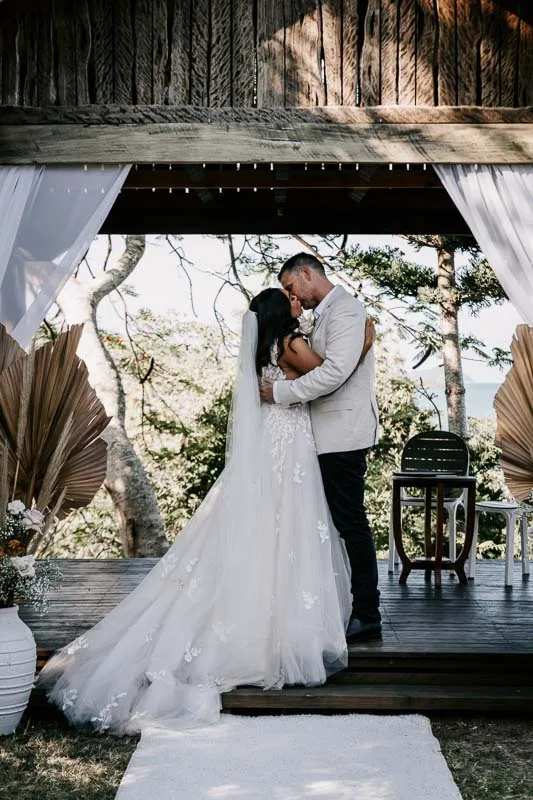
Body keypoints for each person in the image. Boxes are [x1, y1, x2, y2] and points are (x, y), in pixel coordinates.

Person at [39, 287, 374, 735]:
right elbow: (330, 373)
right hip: (288, 446)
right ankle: (277, 630)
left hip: (274, 443)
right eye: (290, 299)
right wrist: (364, 344)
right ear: (280, 314)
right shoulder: (291, 344)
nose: (297, 302)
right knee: (286, 530)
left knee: (267, 531)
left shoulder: (264, 347)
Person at [260, 253, 381, 641]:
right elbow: (333, 366)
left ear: (307, 273)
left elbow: (334, 372)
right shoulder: (325, 315)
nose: (294, 296)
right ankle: (340, 608)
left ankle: (366, 612)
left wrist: (281, 392)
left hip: (341, 434)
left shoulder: (346, 311)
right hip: (319, 435)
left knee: (350, 523)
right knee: (330, 525)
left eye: (293, 287)